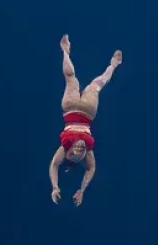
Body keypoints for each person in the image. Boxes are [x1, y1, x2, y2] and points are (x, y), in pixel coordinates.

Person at [49, 34, 122, 206]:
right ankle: (113, 65)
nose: (80, 148)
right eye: (82, 150)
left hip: (71, 109)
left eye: (77, 149)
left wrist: (55, 186)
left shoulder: (65, 147)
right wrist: (81, 190)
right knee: (97, 85)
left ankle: (65, 51)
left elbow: (54, 165)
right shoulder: (88, 151)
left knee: (71, 79)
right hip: (88, 112)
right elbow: (91, 168)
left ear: (69, 151)